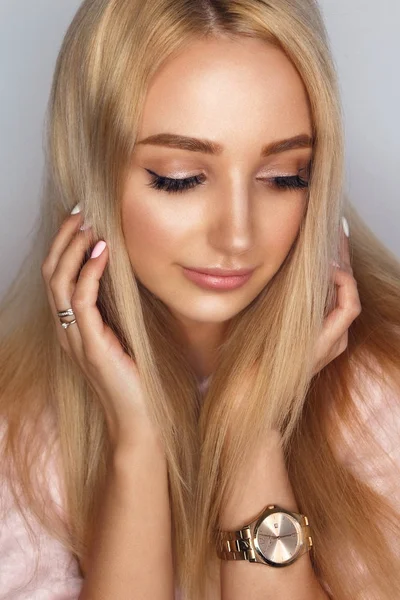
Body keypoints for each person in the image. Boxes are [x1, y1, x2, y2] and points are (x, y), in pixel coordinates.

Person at [1, 0, 400, 598]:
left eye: (286, 176)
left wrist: (252, 437)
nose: (237, 235)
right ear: (90, 176)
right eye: (180, 177)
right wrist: (136, 442)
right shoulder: (19, 427)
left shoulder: (381, 395)